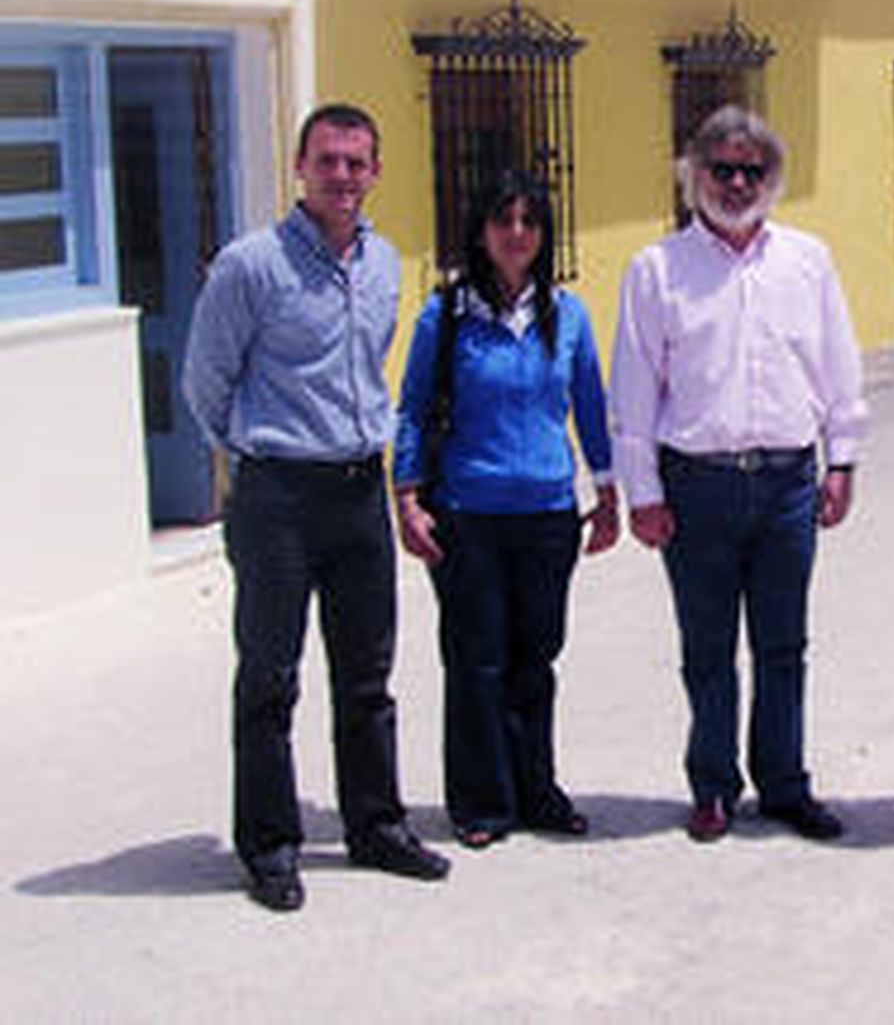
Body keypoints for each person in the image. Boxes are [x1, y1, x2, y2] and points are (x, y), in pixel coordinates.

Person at [183, 103, 449, 913]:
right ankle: (269, 845)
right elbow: (205, 381)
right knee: (270, 676)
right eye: (327, 159)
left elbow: (369, 371)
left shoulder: (384, 262)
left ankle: (376, 825)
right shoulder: (250, 266)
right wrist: (256, 453)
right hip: (278, 498)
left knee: (367, 674)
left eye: (356, 162)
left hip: (357, 491)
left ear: (375, 172)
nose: (342, 175)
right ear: (300, 166)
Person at [610, 106, 868, 844]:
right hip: (697, 486)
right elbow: (634, 389)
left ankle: (784, 785)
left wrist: (842, 460)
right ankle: (713, 786)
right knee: (707, 650)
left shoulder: (807, 261)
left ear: (771, 180)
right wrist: (642, 493)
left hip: (788, 483)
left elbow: (838, 365)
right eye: (720, 169)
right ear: (693, 175)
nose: (735, 183)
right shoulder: (657, 269)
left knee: (784, 646)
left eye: (751, 171)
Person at [392, 172, 618, 850]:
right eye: (503, 219)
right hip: (469, 513)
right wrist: (407, 497)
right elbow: (412, 408)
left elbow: (590, 404)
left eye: (529, 221)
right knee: (477, 659)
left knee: (535, 659)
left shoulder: (567, 314)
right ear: (481, 230)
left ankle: (536, 791)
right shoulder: (446, 315)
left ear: (544, 233)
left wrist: (608, 492)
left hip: (548, 513)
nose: (516, 233)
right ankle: (481, 802)